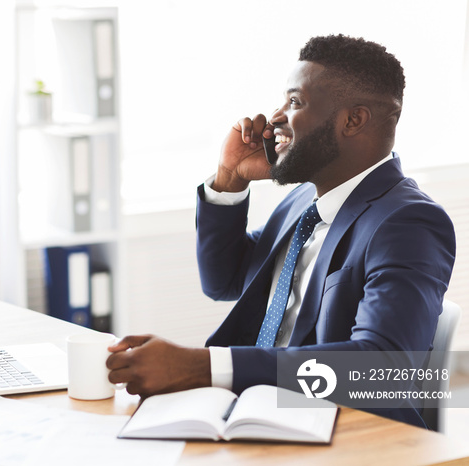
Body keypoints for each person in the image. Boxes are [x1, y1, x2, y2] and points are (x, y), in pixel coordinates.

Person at [106, 34, 456, 428]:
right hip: (261, 413)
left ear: (353, 120)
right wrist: (230, 179)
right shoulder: (304, 200)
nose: (273, 118)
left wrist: (203, 367)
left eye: (294, 102)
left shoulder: (407, 222)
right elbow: (225, 281)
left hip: (346, 431)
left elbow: (377, 369)